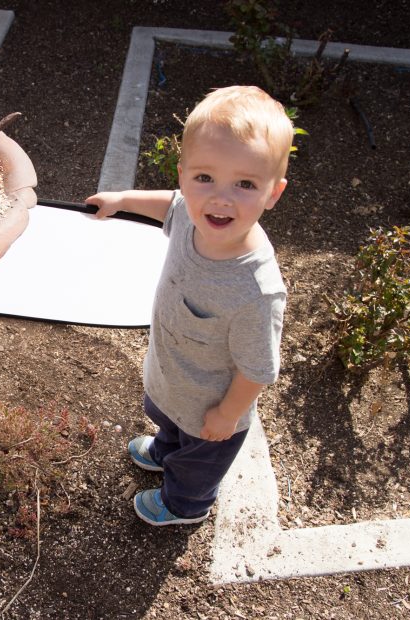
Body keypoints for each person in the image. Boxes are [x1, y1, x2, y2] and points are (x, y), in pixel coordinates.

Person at [85, 85, 293, 526]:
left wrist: (227, 413)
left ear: (273, 193)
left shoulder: (255, 289)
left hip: (213, 413)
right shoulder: (190, 213)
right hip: (172, 376)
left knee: (197, 465)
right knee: (166, 420)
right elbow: (171, 206)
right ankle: (165, 449)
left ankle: (186, 506)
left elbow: (257, 369)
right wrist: (122, 200)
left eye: (245, 184)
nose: (220, 197)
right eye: (205, 178)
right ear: (184, 175)